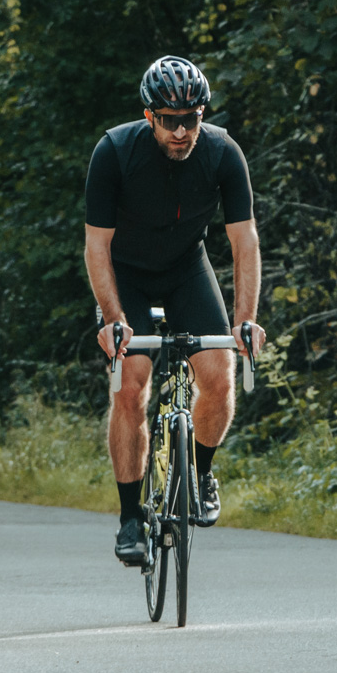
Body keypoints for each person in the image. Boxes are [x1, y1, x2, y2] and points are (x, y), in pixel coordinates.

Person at [86, 55, 265, 566]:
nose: (182, 131)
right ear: (149, 117)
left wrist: (246, 318)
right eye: (170, 120)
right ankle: (128, 517)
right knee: (131, 384)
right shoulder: (115, 152)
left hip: (187, 267)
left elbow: (243, 241)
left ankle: (201, 471)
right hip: (127, 275)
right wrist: (112, 318)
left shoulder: (223, 152)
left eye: (192, 119)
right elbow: (96, 247)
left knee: (219, 376)